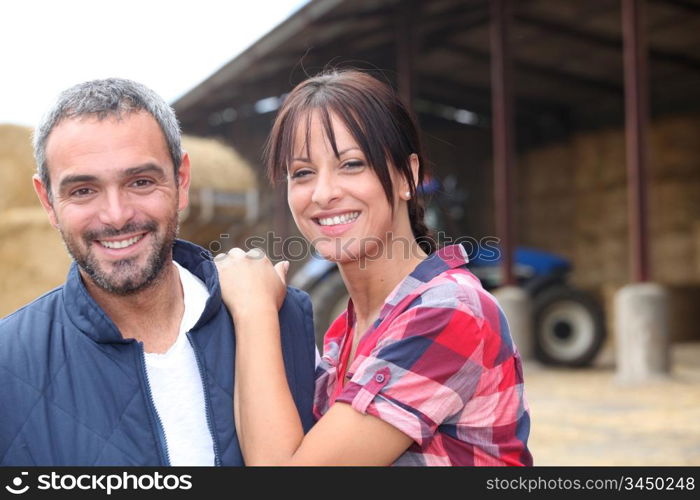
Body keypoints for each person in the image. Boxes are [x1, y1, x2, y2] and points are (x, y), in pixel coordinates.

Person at [215, 70, 533, 466]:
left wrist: (254, 312)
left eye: (351, 164)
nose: (324, 193)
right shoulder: (343, 334)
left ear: (407, 176)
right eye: (302, 173)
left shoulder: (449, 311)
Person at [0, 78, 316, 466]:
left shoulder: (287, 321)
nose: (116, 215)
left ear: (182, 181)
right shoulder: (9, 364)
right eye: (83, 190)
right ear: (47, 201)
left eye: (141, 182)